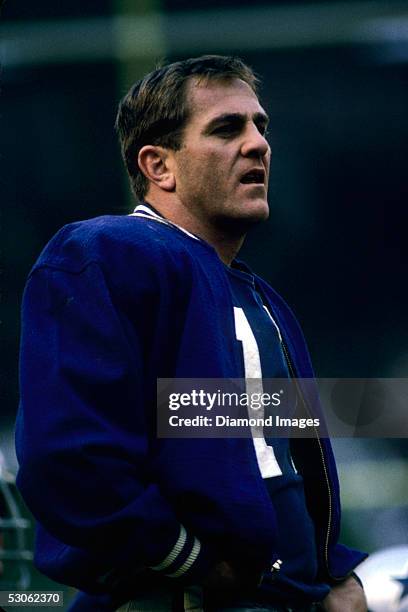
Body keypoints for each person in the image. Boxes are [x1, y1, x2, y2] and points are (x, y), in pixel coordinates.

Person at [16, 55, 367, 612]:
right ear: (158, 166)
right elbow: (70, 459)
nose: (258, 144)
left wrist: (332, 571)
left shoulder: (258, 298)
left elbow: (283, 460)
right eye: (228, 128)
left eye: (260, 126)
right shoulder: (108, 252)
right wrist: (190, 562)